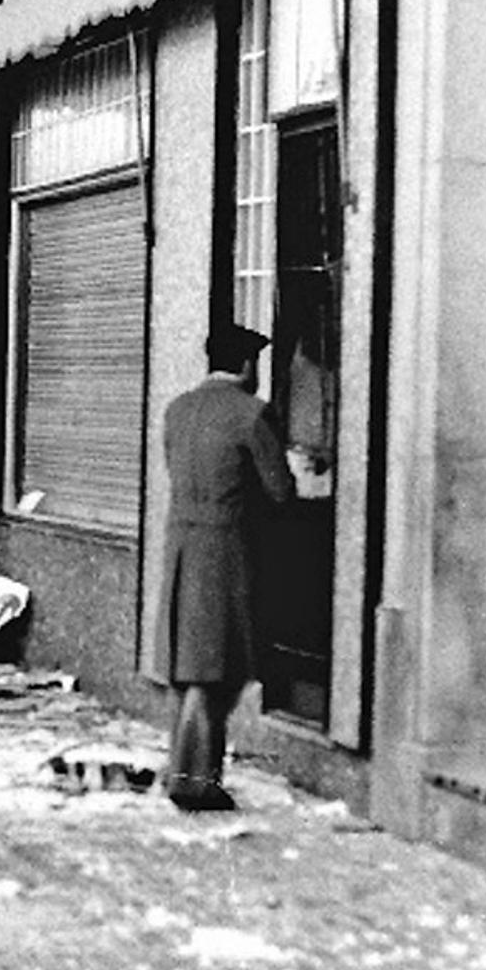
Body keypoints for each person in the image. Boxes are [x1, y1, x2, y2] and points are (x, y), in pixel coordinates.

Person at [152, 323, 294, 811]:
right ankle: (193, 781)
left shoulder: (177, 410)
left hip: (182, 547)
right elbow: (279, 492)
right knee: (215, 672)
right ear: (248, 365)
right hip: (225, 552)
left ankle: (185, 769)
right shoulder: (252, 414)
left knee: (189, 666)